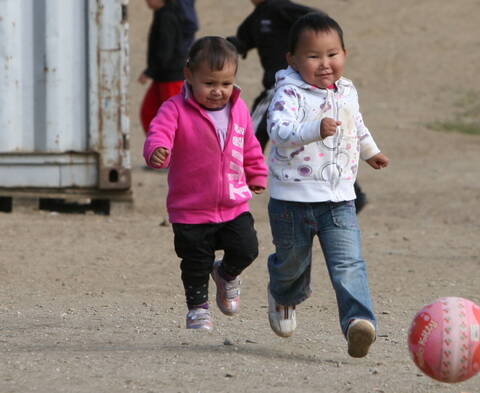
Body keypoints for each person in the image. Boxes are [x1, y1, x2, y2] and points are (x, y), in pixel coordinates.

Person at [264, 12, 390, 358]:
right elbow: (279, 132)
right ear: (292, 59)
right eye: (313, 56)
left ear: (345, 54)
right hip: (292, 200)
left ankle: (358, 323)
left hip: (338, 199)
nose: (324, 64)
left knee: (349, 263)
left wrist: (371, 152)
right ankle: (283, 295)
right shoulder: (289, 92)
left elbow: (356, 125)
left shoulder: (347, 90)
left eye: (332, 54)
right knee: (292, 263)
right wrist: (314, 129)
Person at [143, 36, 268, 331]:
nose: (218, 91)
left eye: (225, 83)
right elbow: (158, 134)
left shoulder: (237, 109)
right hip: (191, 208)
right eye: (210, 83)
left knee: (247, 248)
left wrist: (257, 173)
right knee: (195, 263)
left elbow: (248, 144)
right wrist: (157, 151)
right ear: (189, 75)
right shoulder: (174, 109)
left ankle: (226, 274)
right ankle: (198, 309)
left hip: (233, 203)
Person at [227, 0, 369, 213]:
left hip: (284, 88)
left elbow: (317, 17)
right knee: (311, 145)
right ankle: (355, 195)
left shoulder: (282, 8)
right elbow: (240, 42)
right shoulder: (256, 18)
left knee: (248, 134)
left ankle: (229, 188)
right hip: (286, 89)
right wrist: (222, 48)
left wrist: (305, 42)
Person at [139, 0, 187, 135]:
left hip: (171, 78)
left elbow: (166, 49)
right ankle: (158, 147)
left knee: (173, 117)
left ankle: (172, 150)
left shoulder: (168, 17)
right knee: (149, 112)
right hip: (162, 76)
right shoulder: (163, 13)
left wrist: (150, 71)